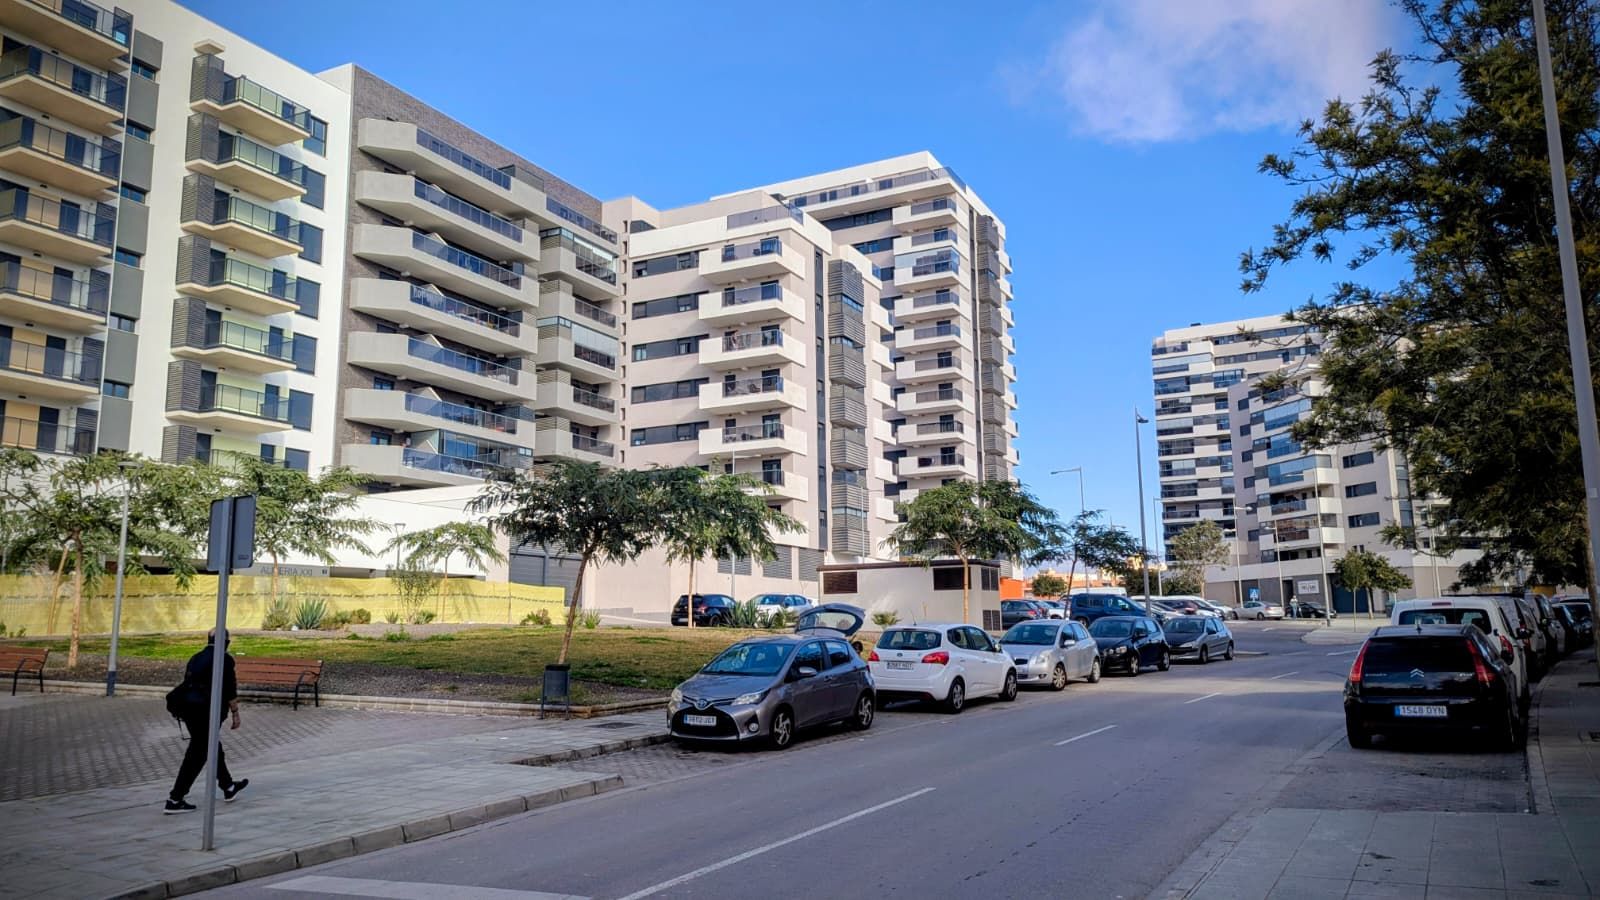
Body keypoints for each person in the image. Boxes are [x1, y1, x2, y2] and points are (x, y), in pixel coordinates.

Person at [165, 628, 248, 814]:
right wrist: (235, 712)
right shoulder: (224, 660)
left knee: (210, 746)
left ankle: (228, 787)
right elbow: (229, 688)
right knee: (198, 753)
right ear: (225, 642)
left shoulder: (196, 657)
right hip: (207, 710)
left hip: (188, 709)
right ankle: (175, 798)